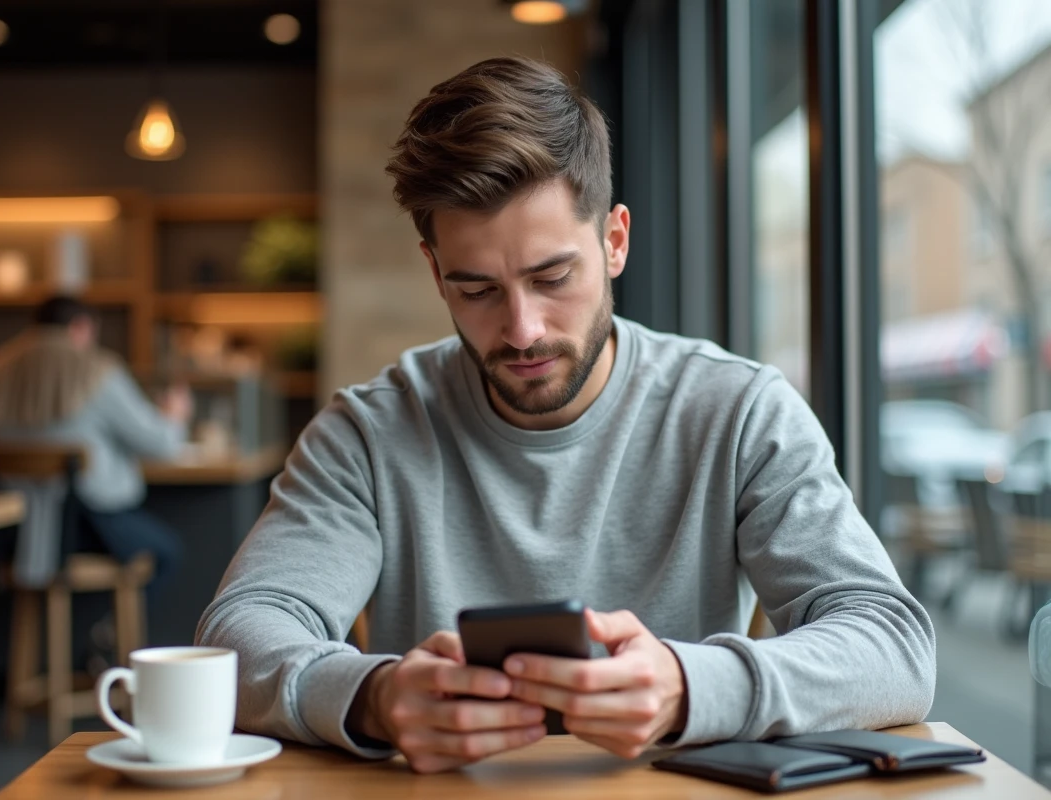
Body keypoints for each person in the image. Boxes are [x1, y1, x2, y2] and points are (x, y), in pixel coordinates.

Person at [196, 56, 935, 774]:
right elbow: (236, 637)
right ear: (435, 272)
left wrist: (690, 686)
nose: (522, 330)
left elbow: (894, 646)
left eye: (552, 277)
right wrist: (372, 698)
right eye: (477, 290)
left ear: (614, 241)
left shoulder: (739, 412)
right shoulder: (368, 433)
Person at [0, 295, 191, 598]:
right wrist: (174, 417)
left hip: (8, 533)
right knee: (167, 552)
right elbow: (162, 445)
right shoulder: (97, 371)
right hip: (87, 529)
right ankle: (105, 629)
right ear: (81, 327)